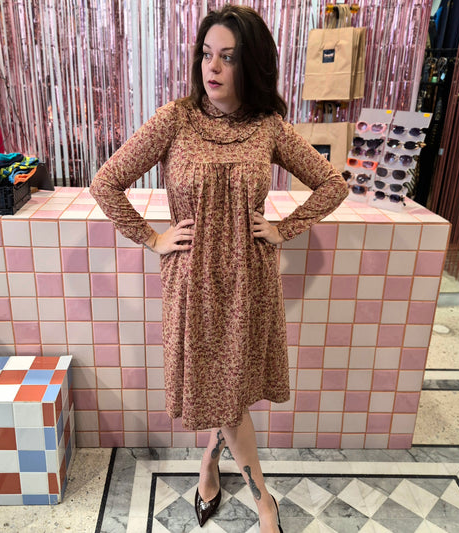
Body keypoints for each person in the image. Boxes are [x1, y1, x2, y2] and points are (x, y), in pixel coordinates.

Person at [90, 5, 348, 532]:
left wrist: (285, 228)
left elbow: (333, 184)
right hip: (193, 284)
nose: (212, 67)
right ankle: (262, 498)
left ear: (250, 65)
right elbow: (105, 182)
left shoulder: (267, 127)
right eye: (207, 54)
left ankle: (211, 468)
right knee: (224, 394)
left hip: (250, 282)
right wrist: (153, 238)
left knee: (229, 393)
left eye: (227, 57)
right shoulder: (175, 119)